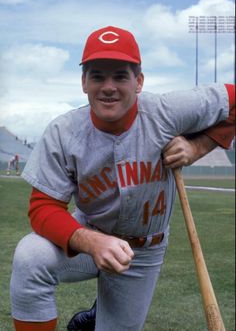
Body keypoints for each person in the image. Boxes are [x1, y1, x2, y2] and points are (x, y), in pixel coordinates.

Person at [10, 26, 235, 331]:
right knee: (30, 256)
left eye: (120, 76)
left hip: (143, 252)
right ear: (83, 82)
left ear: (139, 81)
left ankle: (98, 317)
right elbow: (42, 208)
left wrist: (198, 146)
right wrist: (90, 241)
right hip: (89, 235)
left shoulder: (168, 111)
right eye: (98, 76)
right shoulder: (63, 132)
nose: (108, 87)